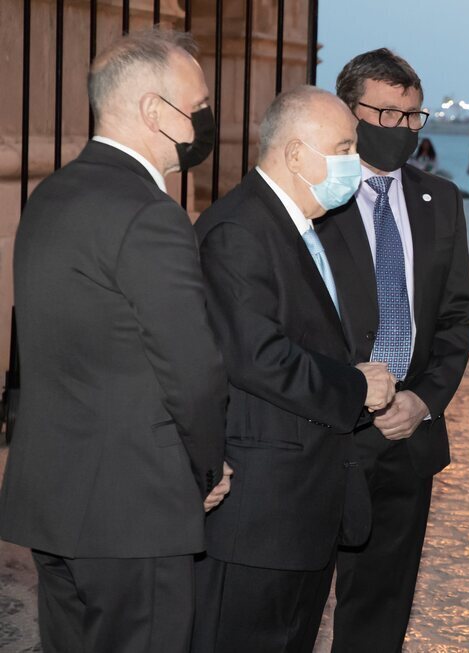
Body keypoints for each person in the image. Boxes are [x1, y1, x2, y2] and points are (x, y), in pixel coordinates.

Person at [0, 29, 230, 652]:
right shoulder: (148, 214)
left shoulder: (49, 195)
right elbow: (193, 370)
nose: (208, 117)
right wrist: (206, 468)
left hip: (55, 498)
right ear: (159, 113)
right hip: (135, 509)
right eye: (200, 102)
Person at [190, 86, 397, 653]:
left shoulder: (302, 225)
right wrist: (357, 386)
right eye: (345, 146)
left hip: (302, 512)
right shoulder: (239, 230)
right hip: (260, 518)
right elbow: (258, 356)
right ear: (298, 154)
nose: (356, 161)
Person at [319, 48, 469, 652]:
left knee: (382, 606)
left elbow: (458, 316)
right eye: (385, 114)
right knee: (296, 596)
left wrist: (423, 400)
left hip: (407, 437)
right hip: (326, 431)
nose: (401, 129)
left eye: (412, 116)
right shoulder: (315, 199)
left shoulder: (440, 200)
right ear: (349, 111)